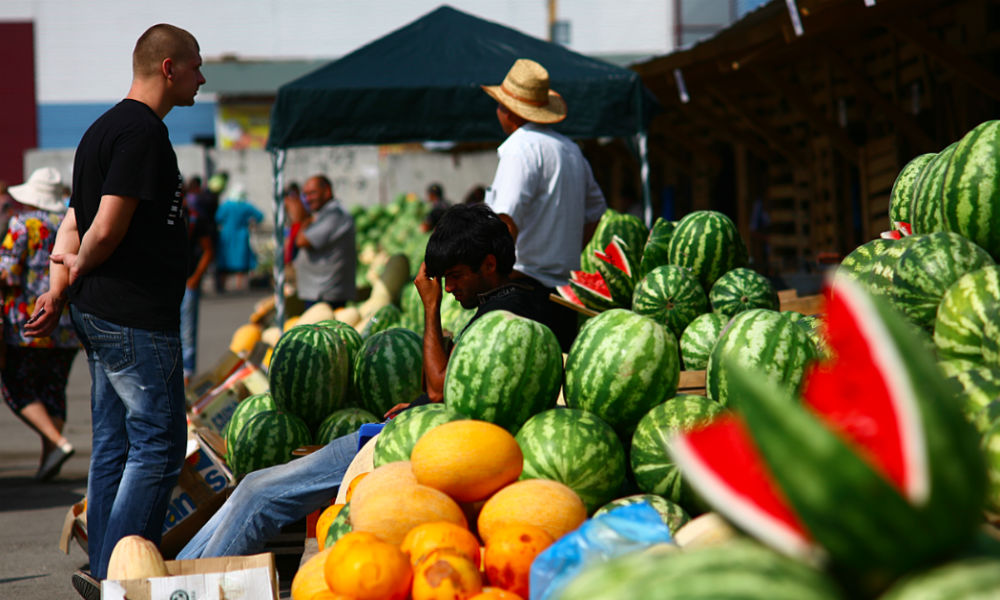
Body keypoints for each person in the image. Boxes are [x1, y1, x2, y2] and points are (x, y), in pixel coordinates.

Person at [176, 203, 554, 559]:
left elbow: (440, 389)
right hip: (421, 434)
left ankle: (184, 587)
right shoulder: (528, 293)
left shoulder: (503, 315)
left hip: (418, 448)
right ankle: (174, 576)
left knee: (259, 493)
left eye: (455, 277)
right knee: (251, 488)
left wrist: (430, 306)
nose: (449, 288)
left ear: (489, 265)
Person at [24, 23, 205, 594]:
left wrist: (58, 289)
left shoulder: (101, 130)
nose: (204, 77)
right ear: (169, 68)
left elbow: (72, 222)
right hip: (134, 317)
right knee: (159, 444)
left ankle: (100, 567)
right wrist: (74, 270)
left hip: (103, 314)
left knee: (116, 446)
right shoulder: (142, 134)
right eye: (197, 65)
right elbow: (101, 227)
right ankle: (119, 578)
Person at [481, 58, 607, 350]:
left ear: (510, 111)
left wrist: (496, 279)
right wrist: (567, 250)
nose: (497, 110)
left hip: (522, 290)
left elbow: (506, 222)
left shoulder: (519, 148)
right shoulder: (570, 149)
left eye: (500, 104)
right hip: (564, 294)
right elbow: (596, 212)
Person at [0, 167, 81, 481]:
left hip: (26, 321)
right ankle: (50, 457)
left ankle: (57, 443)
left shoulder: (23, 225)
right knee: (53, 388)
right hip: (66, 322)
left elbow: (6, 272)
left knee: (15, 386)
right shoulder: (71, 222)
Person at [292, 174, 357, 308]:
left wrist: (301, 219)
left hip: (326, 294)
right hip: (317, 292)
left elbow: (302, 241)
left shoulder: (335, 215)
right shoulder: (323, 214)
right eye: (305, 195)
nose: (308, 199)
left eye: (312, 193)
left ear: (327, 192)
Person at [181, 181, 216, 385]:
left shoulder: (194, 218)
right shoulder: (158, 217)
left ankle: (187, 374)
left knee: (187, 331)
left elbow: (208, 251)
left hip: (187, 283)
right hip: (165, 285)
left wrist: (195, 278)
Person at [214, 183, 262, 292]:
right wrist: (249, 222)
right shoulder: (246, 205)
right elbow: (260, 216)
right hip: (241, 235)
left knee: (225, 260)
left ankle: (222, 285)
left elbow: (218, 218)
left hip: (227, 235)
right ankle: (239, 285)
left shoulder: (226, 205)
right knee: (241, 261)